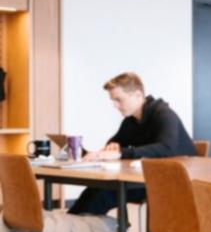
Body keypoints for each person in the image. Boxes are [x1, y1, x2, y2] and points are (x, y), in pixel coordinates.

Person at [68, 72, 196, 216]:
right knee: (95, 189)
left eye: (119, 100)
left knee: (104, 192)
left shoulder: (164, 114)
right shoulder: (130, 121)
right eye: (113, 101)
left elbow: (166, 148)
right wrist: (113, 145)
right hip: (146, 178)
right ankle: (68, 228)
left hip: (174, 181)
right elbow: (116, 141)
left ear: (138, 95)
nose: (115, 106)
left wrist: (120, 152)